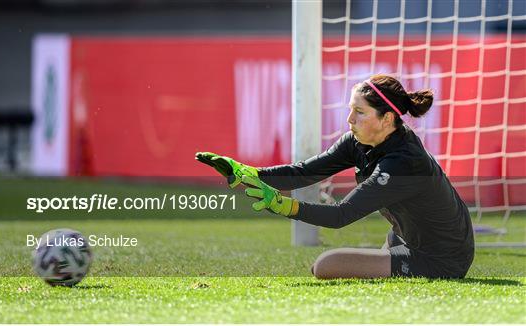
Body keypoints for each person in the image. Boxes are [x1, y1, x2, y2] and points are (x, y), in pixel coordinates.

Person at [196, 74, 474, 279]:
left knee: (325, 267)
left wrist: (282, 206)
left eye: (360, 112)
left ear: (387, 119)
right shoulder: (358, 141)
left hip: (443, 258)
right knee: (333, 267)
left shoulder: (403, 161)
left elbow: (342, 215)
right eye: (351, 109)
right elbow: (304, 172)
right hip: (406, 237)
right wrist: (246, 173)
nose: (350, 119)